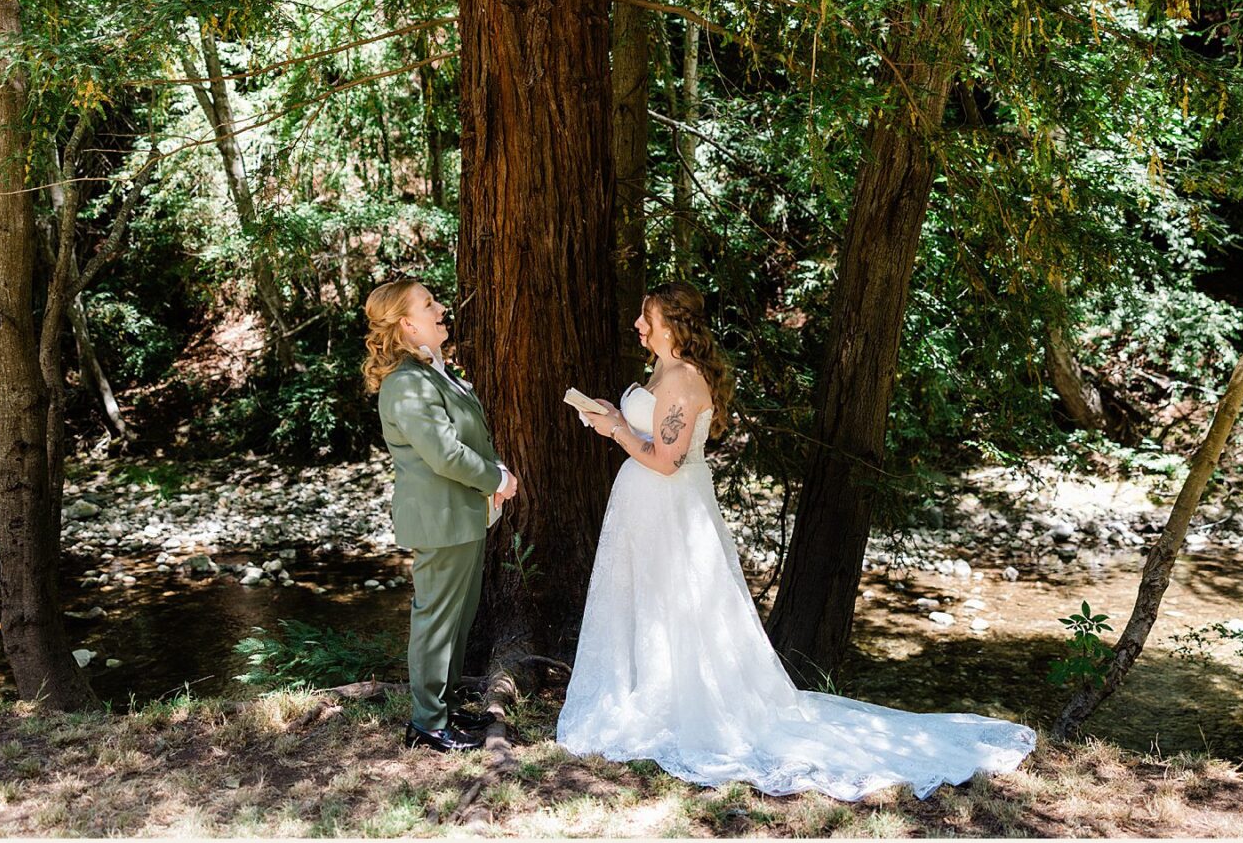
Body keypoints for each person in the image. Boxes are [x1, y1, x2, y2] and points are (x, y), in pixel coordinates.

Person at [557, 282, 1036, 800]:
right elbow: (653, 432)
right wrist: (616, 412)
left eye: (645, 317)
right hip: (644, 507)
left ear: (670, 324)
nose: (638, 325)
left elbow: (668, 461)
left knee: (682, 603)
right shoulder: (662, 369)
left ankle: (684, 705)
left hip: (669, 505)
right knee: (651, 601)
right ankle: (652, 690)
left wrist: (614, 432)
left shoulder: (683, 379)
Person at [363, 278, 518, 753]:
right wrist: (497, 479)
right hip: (441, 518)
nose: (441, 309)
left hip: (461, 515)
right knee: (435, 621)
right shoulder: (407, 382)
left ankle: (444, 711)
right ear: (407, 325)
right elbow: (445, 454)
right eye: (429, 305)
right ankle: (427, 725)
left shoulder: (433, 373)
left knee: (457, 619)